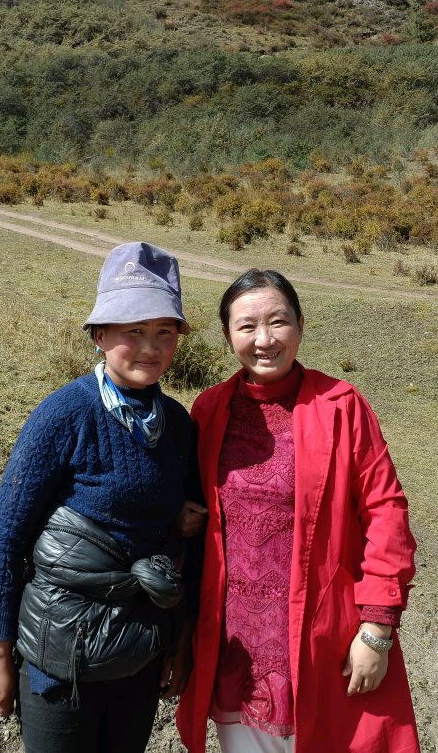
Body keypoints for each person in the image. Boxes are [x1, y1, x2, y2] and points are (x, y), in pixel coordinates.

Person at [176, 269, 420, 753]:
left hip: (324, 641)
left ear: (301, 326)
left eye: (278, 322)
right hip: (236, 650)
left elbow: (386, 512)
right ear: (227, 336)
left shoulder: (341, 406)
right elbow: (191, 504)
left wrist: (376, 629)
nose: (264, 340)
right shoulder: (208, 410)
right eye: (246, 326)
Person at [0, 241, 204, 753]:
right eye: (134, 331)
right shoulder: (64, 415)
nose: (151, 346)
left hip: (140, 650)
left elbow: (186, 543)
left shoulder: (178, 426)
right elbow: (8, 535)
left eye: (164, 332)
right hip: (59, 653)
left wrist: (180, 642)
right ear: (100, 336)